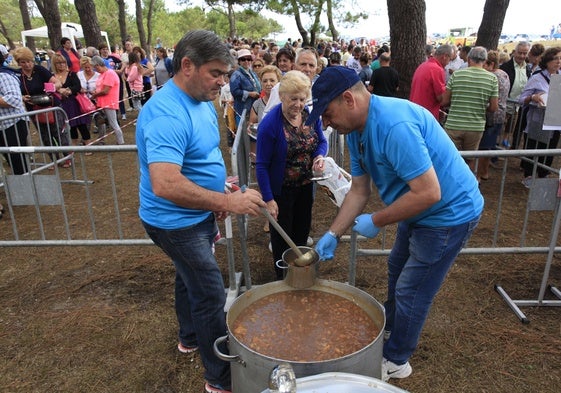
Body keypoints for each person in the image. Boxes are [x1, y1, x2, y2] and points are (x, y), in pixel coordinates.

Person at [308, 66, 483, 382]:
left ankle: (396, 359)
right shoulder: (356, 132)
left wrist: (377, 219)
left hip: (448, 214)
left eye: (328, 113)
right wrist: (333, 233)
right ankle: (391, 325)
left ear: (349, 99)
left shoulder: (393, 125)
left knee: (412, 289)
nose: (326, 123)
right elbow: (359, 190)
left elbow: (430, 192)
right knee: (396, 268)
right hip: (416, 208)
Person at [136, 29, 266, 393]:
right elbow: (165, 183)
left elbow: (199, 156)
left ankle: (189, 337)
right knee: (209, 291)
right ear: (187, 65)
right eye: (216, 73)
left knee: (187, 275)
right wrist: (225, 202)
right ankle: (220, 379)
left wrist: (216, 187)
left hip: (198, 215)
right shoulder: (166, 113)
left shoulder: (201, 100)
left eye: (225, 74)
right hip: (174, 223)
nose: (223, 82)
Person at [256, 70, 327, 280]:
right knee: (282, 237)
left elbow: (321, 141)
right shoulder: (270, 124)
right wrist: (268, 199)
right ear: (282, 96)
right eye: (293, 99)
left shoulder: (310, 116)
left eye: (302, 99)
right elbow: (261, 165)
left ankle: (299, 274)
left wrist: (319, 156)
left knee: (302, 231)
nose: (298, 104)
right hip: (281, 189)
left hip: (305, 185)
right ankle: (283, 278)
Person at [442, 46, 498, 174]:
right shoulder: (492, 79)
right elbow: (494, 107)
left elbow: (444, 101)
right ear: (485, 60)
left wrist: (457, 101)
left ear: (469, 58)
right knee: (470, 159)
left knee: (450, 157)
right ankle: (467, 185)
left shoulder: (457, 74)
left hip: (454, 124)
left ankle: (449, 186)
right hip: (475, 126)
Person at [15, 47, 66, 165]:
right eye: (23, 62)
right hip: (34, 109)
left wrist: (53, 88)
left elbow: (57, 82)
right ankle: (55, 159)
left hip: (51, 106)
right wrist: (22, 97)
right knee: (45, 136)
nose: (27, 64)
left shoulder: (40, 70)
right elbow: (16, 92)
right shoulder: (18, 75)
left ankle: (67, 156)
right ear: (19, 63)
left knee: (58, 133)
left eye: (29, 61)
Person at [518, 46, 561, 187]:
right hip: (538, 121)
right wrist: (533, 97)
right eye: (555, 59)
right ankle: (529, 175)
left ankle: (543, 174)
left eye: (560, 59)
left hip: (555, 121)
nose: (558, 62)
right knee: (534, 148)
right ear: (547, 61)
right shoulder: (537, 78)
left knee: (550, 149)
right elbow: (521, 98)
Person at [477, 50, 510, 182]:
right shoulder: (504, 74)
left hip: (492, 115)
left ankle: (481, 172)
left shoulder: (492, 77)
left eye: (483, 64)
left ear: (490, 64)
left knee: (484, 146)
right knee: (489, 145)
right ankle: (484, 171)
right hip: (500, 115)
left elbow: (490, 100)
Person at [52, 53, 91, 152]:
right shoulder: (52, 77)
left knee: (81, 124)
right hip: (61, 104)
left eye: (63, 63)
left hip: (74, 103)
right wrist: (59, 91)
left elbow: (77, 86)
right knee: (69, 125)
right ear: (54, 64)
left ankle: (88, 145)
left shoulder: (71, 74)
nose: (61, 65)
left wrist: (68, 91)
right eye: (58, 63)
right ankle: (73, 144)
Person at [0, 50, 29, 176]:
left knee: (18, 162)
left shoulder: (4, 76)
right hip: (3, 125)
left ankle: (25, 189)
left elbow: (14, 99)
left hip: (13, 124)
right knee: (11, 160)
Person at [409, 44, 453, 121]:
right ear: (445, 56)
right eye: (450, 59)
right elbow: (441, 98)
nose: (448, 63)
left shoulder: (423, 65)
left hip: (415, 111)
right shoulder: (437, 69)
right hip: (426, 115)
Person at [500, 41, 531, 149]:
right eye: (520, 53)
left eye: (525, 53)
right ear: (515, 52)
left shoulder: (528, 68)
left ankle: (503, 146)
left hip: (518, 106)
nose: (522, 56)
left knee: (510, 128)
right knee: (499, 128)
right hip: (505, 104)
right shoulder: (505, 66)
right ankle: (493, 152)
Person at [89, 56, 125, 145]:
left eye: (94, 67)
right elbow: (101, 88)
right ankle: (101, 140)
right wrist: (95, 92)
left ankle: (121, 142)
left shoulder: (110, 73)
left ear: (97, 65)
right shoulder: (102, 74)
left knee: (113, 123)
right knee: (101, 122)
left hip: (109, 102)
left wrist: (94, 95)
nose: (94, 69)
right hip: (101, 102)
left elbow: (106, 91)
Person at [229, 48, 261, 126]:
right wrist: (249, 94)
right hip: (243, 110)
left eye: (248, 59)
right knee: (244, 133)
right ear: (239, 61)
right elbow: (234, 91)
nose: (246, 61)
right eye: (243, 59)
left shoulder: (252, 72)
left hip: (254, 108)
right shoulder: (236, 75)